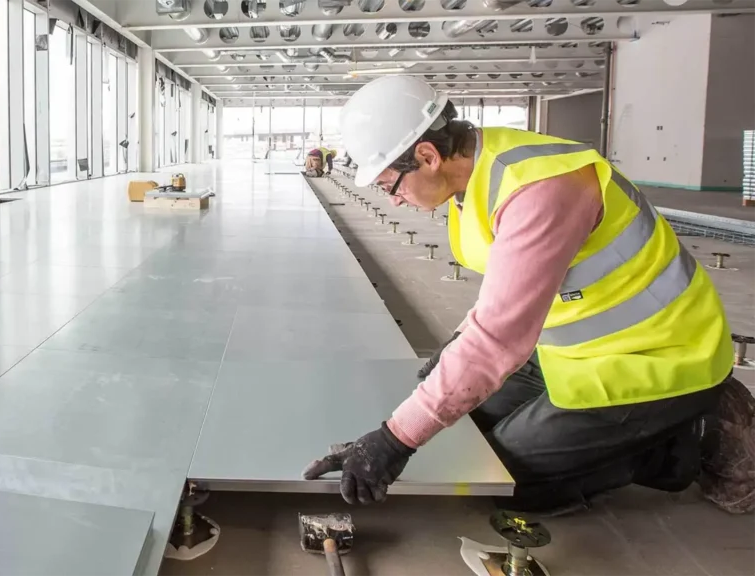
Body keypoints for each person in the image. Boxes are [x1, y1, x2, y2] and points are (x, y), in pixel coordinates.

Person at [302, 75, 754, 514]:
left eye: (389, 185)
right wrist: (457, 342)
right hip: (568, 347)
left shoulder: (540, 191)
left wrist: (394, 440)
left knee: (503, 478)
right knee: (465, 431)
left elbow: (498, 339)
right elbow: (510, 290)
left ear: (427, 156)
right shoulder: (479, 175)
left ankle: (690, 435)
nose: (393, 200)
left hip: (655, 356)